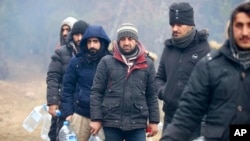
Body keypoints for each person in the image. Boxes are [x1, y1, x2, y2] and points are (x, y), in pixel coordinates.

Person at [161, 2, 250, 141]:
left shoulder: (203, 51)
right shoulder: (210, 66)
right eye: (239, 25)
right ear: (231, 28)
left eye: (249, 25)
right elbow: (188, 114)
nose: (245, 32)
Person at [90, 23, 160, 141]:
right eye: (122, 39)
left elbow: (152, 95)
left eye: (130, 39)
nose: (126, 43)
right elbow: (96, 92)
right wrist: (96, 119)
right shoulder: (106, 62)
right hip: (111, 123)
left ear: (136, 41)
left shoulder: (147, 64)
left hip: (137, 124)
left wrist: (154, 121)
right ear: (117, 41)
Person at [155, 2, 211, 141]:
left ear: (190, 25)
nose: (175, 28)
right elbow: (159, 78)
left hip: (196, 121)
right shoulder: (168, 49)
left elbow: (212, 87)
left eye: (179, 24)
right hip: (170, 118)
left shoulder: (204, 49)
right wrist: (164, 91)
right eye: (172, 24)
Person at [60, 24, 110, 141]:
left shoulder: (110, 62)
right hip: (79, 115)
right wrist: (68, 113)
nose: (92, 45)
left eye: (95, 41)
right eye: (89, 42)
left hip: (103, 118)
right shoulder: (77, 61)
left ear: (102, 42)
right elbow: (67, 88)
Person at [46, 20, 89, 141]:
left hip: (86, 106)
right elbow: (53, 77)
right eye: (62, 30)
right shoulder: (61, 52)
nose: (65, 33)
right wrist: (53, 101)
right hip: (65, 103)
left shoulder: (93, 52)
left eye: (67, 29)